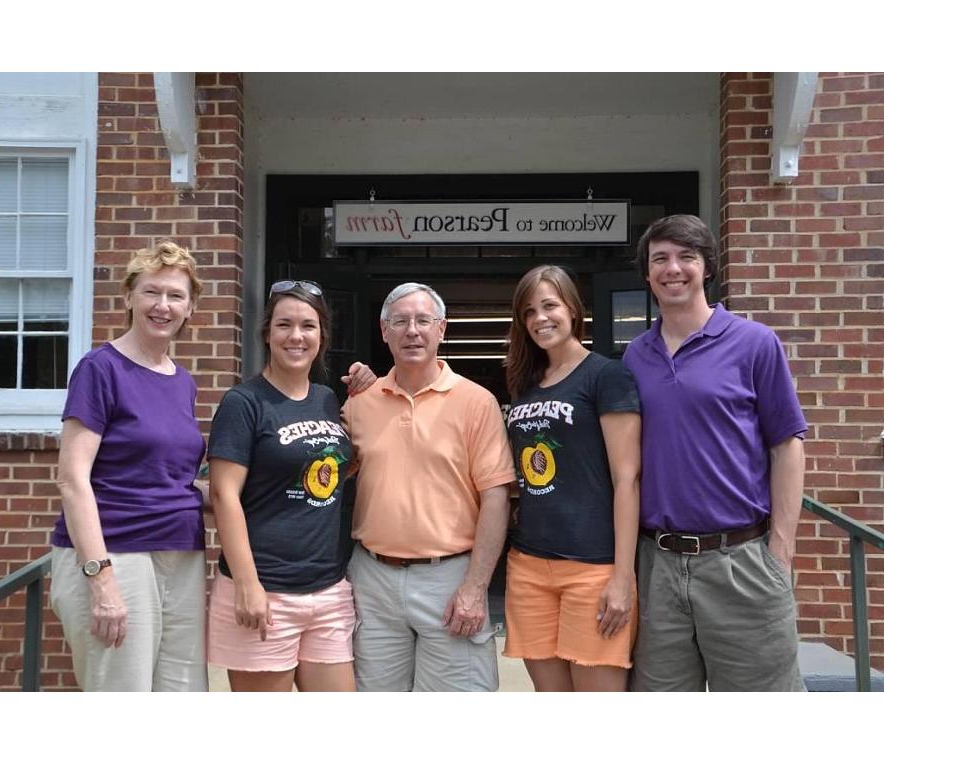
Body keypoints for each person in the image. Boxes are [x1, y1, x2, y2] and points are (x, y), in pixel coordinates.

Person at [623, 214, 807, 691]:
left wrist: (780, 552)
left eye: (687, 256)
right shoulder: (634, 356)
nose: (673, 268)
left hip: (742, 561)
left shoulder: (754, 343)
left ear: (707, 268)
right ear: (646, 273)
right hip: (658, 565)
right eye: (660, 258)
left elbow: (787, 446)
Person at [341, 283, 515, 692]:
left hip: (450, 578)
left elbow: (495, 497)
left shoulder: (477, 402)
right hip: (373, 579)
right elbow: (325, 476)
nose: (412, 331)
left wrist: (475, 588)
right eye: (400, 321)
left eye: (423, 321)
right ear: (384, 331)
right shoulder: (360, 403)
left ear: (442, 329)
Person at [50, 241, 208, 691]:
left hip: (181, 554)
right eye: (151, 292)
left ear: (190, 306)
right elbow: (72, 479)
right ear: (128, 297)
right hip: (116, 554)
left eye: (176, 296)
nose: (163, 306)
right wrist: (100, 580)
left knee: (183, 694)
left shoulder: (182, 382)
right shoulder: (100, 369)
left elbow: (175, 481)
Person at [206, 280, 372, 692]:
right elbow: (224, 495)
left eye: (307, 326)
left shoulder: (328, 400)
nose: (295, 336)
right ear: (267, 333)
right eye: (284, 325)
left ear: (322, 336)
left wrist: (370, 386)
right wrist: (247, 583)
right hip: (265, 590)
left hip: (328, 590)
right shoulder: (243, 403)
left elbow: (335, 469)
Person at [501, 265, 641, 691]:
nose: (540, 318)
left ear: (573, 310)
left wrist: (622, 576)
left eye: (549, 305)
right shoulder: (525, 384)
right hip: (528, 566)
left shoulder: (606, 376)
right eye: (529, 312)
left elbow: (627, 480)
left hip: (592, 568)